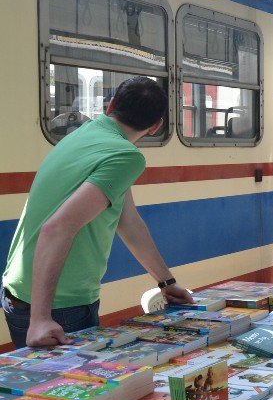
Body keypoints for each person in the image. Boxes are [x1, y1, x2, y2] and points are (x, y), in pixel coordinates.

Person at [2, 77, 194, 349]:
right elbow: (56, 228)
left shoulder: (82, 135)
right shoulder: (126, 155)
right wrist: (41, 318)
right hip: (59, 305)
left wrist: (166, 282)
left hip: (21, 291)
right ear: (156, 127)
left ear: (111, 105)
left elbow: (129, 224)